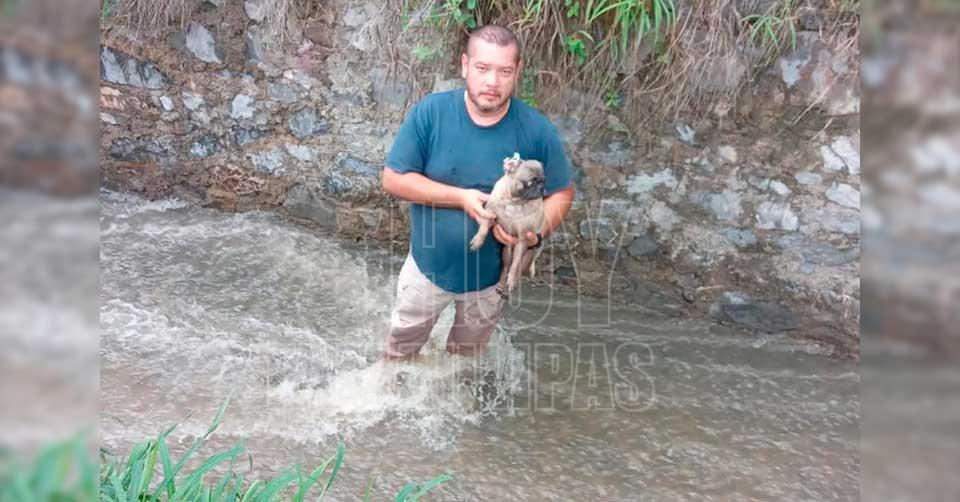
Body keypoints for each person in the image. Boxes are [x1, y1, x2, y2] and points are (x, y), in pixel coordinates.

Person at [380, 24, 575, 361]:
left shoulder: (537, 131)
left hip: (488, 285)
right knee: (398, 356)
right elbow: (393, 179)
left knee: (463, 365)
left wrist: (535, 234)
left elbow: (562, 193)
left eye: (504, 71)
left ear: (518, 72)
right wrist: (461, 197)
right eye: (483, 68)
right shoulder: (432, 113)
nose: (492, 82)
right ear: (465, 65)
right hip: (426, 270)